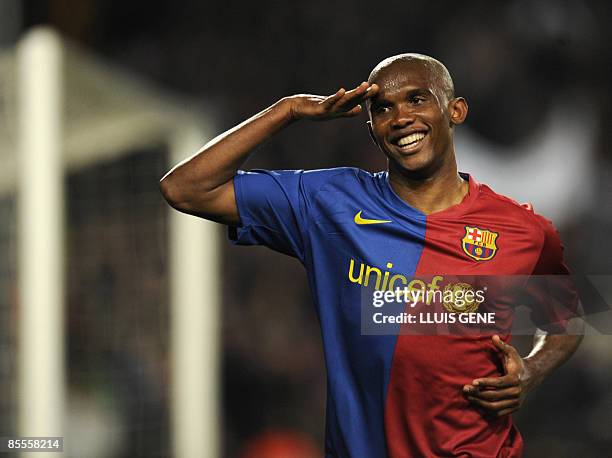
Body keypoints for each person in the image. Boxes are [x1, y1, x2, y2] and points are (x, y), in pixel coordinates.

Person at [160, 54, 584, 457]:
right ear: (371, 128)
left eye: (417, 98)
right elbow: (186, 188)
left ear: (455, 111)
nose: (400, 118)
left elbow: (567, 320)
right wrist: (286, 111)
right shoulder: (330, 203)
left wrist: (531, 371)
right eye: (382, 108)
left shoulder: (522, 229)